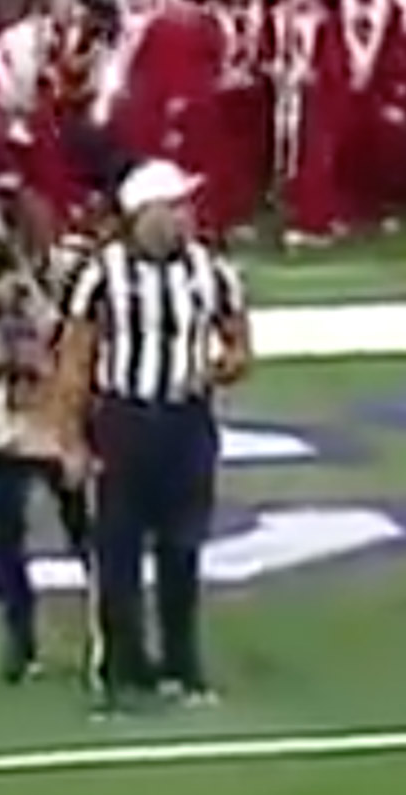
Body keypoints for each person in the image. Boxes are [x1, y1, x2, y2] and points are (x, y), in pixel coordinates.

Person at [53, 157, 249, 714]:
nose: (188, 216)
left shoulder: (212, 272)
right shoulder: (100, 274)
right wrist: (71, 440)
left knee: (182, 549)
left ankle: (183, 666)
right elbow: (75, 361)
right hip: (123, 421)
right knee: (116, 553)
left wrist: (216, 369)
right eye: (176, 206)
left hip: (186, 421)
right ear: (145, 215)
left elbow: (240, 348)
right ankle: (122, 670)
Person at [0, 178, 96, 683]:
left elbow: (67, 335)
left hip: (56, 417)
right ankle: (20, 638)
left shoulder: (74, 267)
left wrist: (30, 296)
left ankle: (108, 628)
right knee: (3, 540)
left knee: (88, 532)